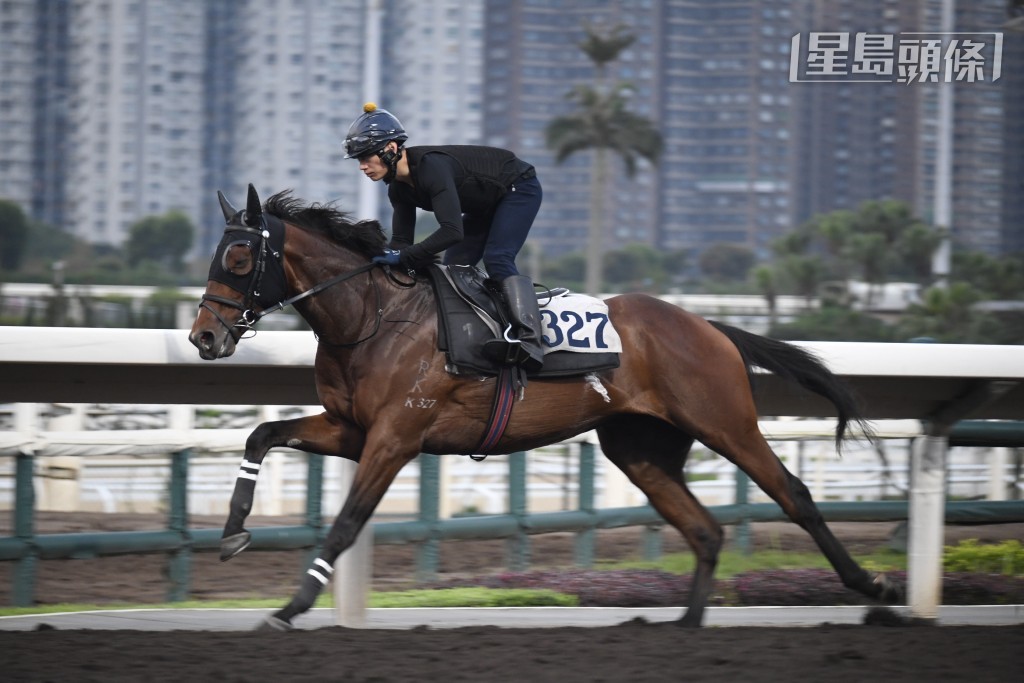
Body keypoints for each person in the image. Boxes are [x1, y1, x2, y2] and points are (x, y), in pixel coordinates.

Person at [343, 102, 545, 372]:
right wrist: (381, 259)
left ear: (390, 149)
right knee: (455, 269)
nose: (362, 167)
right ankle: (482, 329)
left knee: (497, 257)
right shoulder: (397, 189)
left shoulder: (431, 169)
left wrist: (402, 256)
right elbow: (402, 243)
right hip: (483, 204)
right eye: (359, 160)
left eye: (366, 157)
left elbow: (451, 231)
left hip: (518, 188)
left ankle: (529, 339)